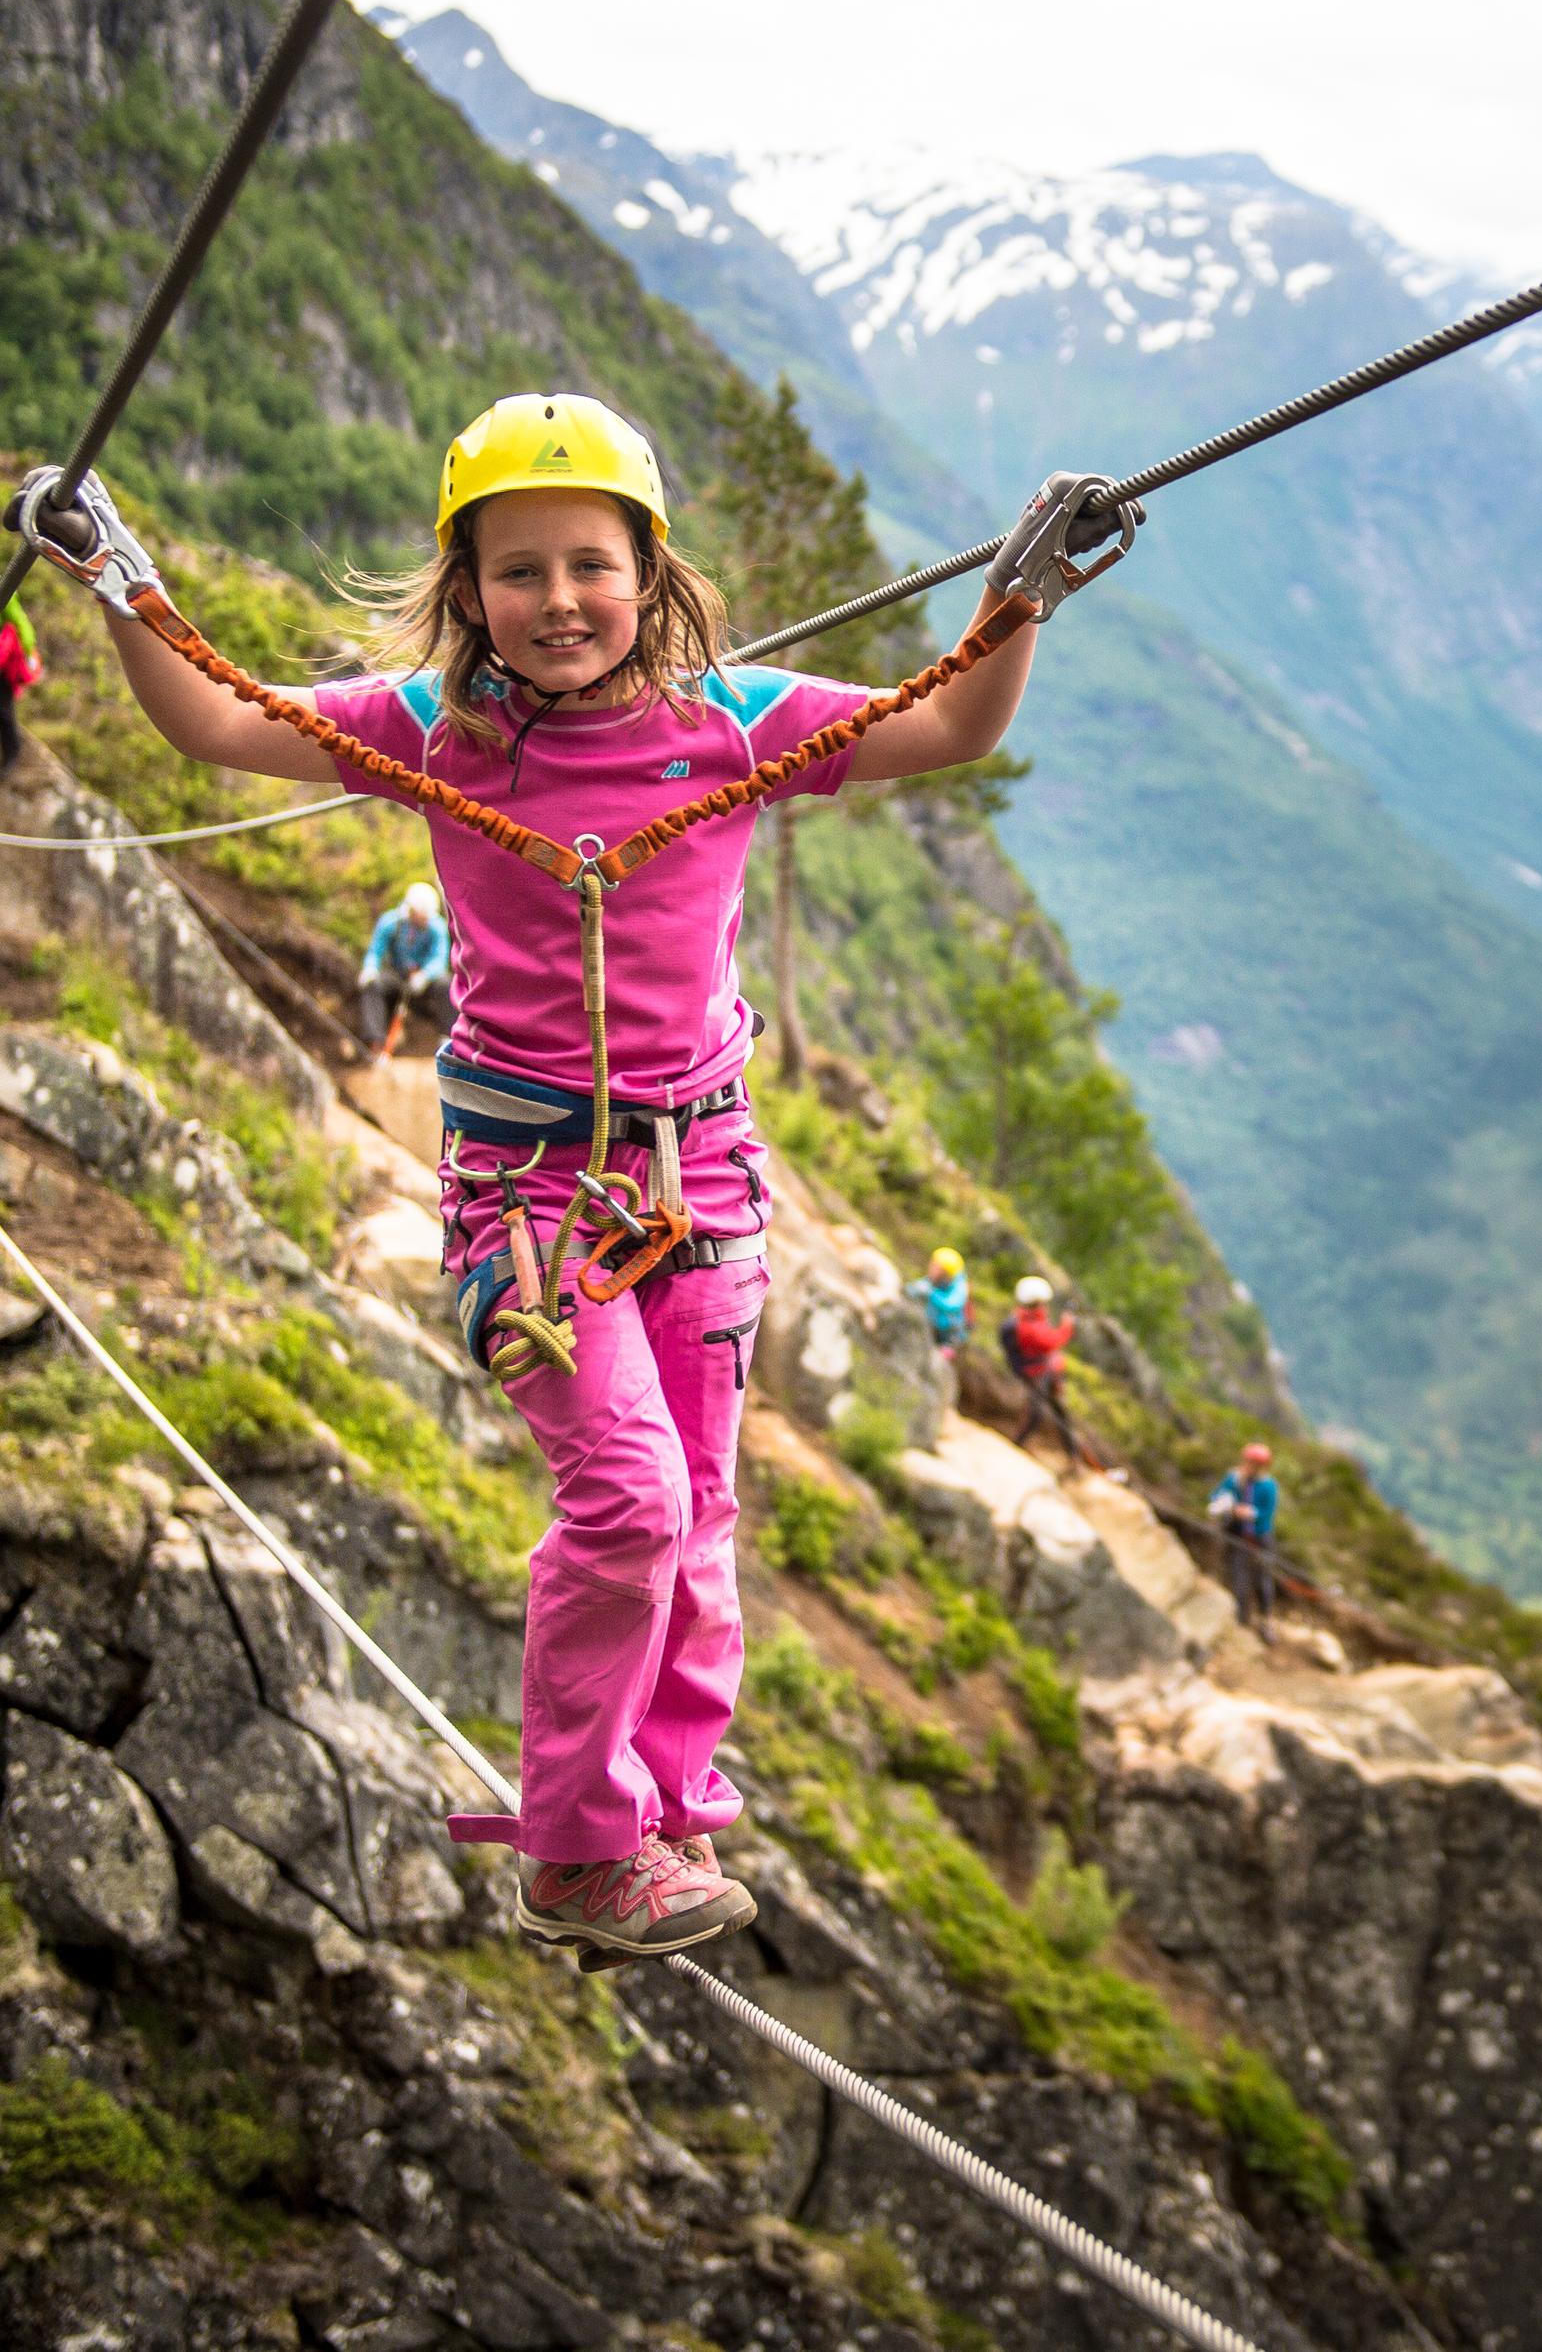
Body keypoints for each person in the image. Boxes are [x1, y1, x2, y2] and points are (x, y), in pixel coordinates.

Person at [9, 393, 1050, 1964]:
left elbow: (953, 726)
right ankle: (575, 1848)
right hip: (527, 1193)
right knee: (627, 1496)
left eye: (590, 563)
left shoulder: (736, 720)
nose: (559, 601)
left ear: (649, 568)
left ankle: (665, 1798)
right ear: (467, 587)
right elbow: (217, 720)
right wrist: (120, 580)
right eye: (518, 571)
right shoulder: (433, 736)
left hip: (700, 1179)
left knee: (697, 1508)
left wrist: (1018, 600)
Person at [358, 879, 453, 1050]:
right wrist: (370, 968)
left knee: (446, 984)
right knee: (374, 985)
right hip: (398, 974)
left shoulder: (436, 927)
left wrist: (425, 975)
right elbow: (376, 950)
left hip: (425, 978)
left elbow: (440, 958)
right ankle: (375, 1041)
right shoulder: (390, 922)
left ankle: (448, 1038)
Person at [1002, 1275, 1079, 1462]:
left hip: (1042, 1372)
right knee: (1038, 1412)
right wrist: (1067, 1325)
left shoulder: (1023, 1319)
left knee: (1054, 1411)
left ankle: (1072, 1454)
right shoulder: (1028, 1326)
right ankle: (1018, 1444)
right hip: (1036, 1373)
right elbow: (1052, 1341)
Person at [1209, 1441, 1279, 1640]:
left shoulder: (1268, 1486)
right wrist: (1229, 1507)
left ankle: (1266, 1620)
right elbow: (1216, 1496)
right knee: (1239, 1575)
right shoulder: (1234, 1479)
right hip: (1237, 1534)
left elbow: (1267, 1513)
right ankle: (1241, 1619)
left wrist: (1251, 1513)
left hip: (1260, 1536)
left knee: (1263, 1578)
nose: (1252, 1466)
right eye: (1250, 1462)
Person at [0, 596, 42, 777]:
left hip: (4, 662)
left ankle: (13, 752)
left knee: (4, 710)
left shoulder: (4, 589)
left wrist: (27, 654)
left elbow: (20, 624)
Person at [909, 1246, 971, 1358]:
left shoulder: (959, 1287)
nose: (930, 1268)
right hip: (934, 1328)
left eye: (935, 1266)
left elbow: (951, 1305)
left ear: (945, 1271)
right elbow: (913, 1289)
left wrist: (932, 1294)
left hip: (951, 1334)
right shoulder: (933, 1281)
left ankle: (949, 1349)